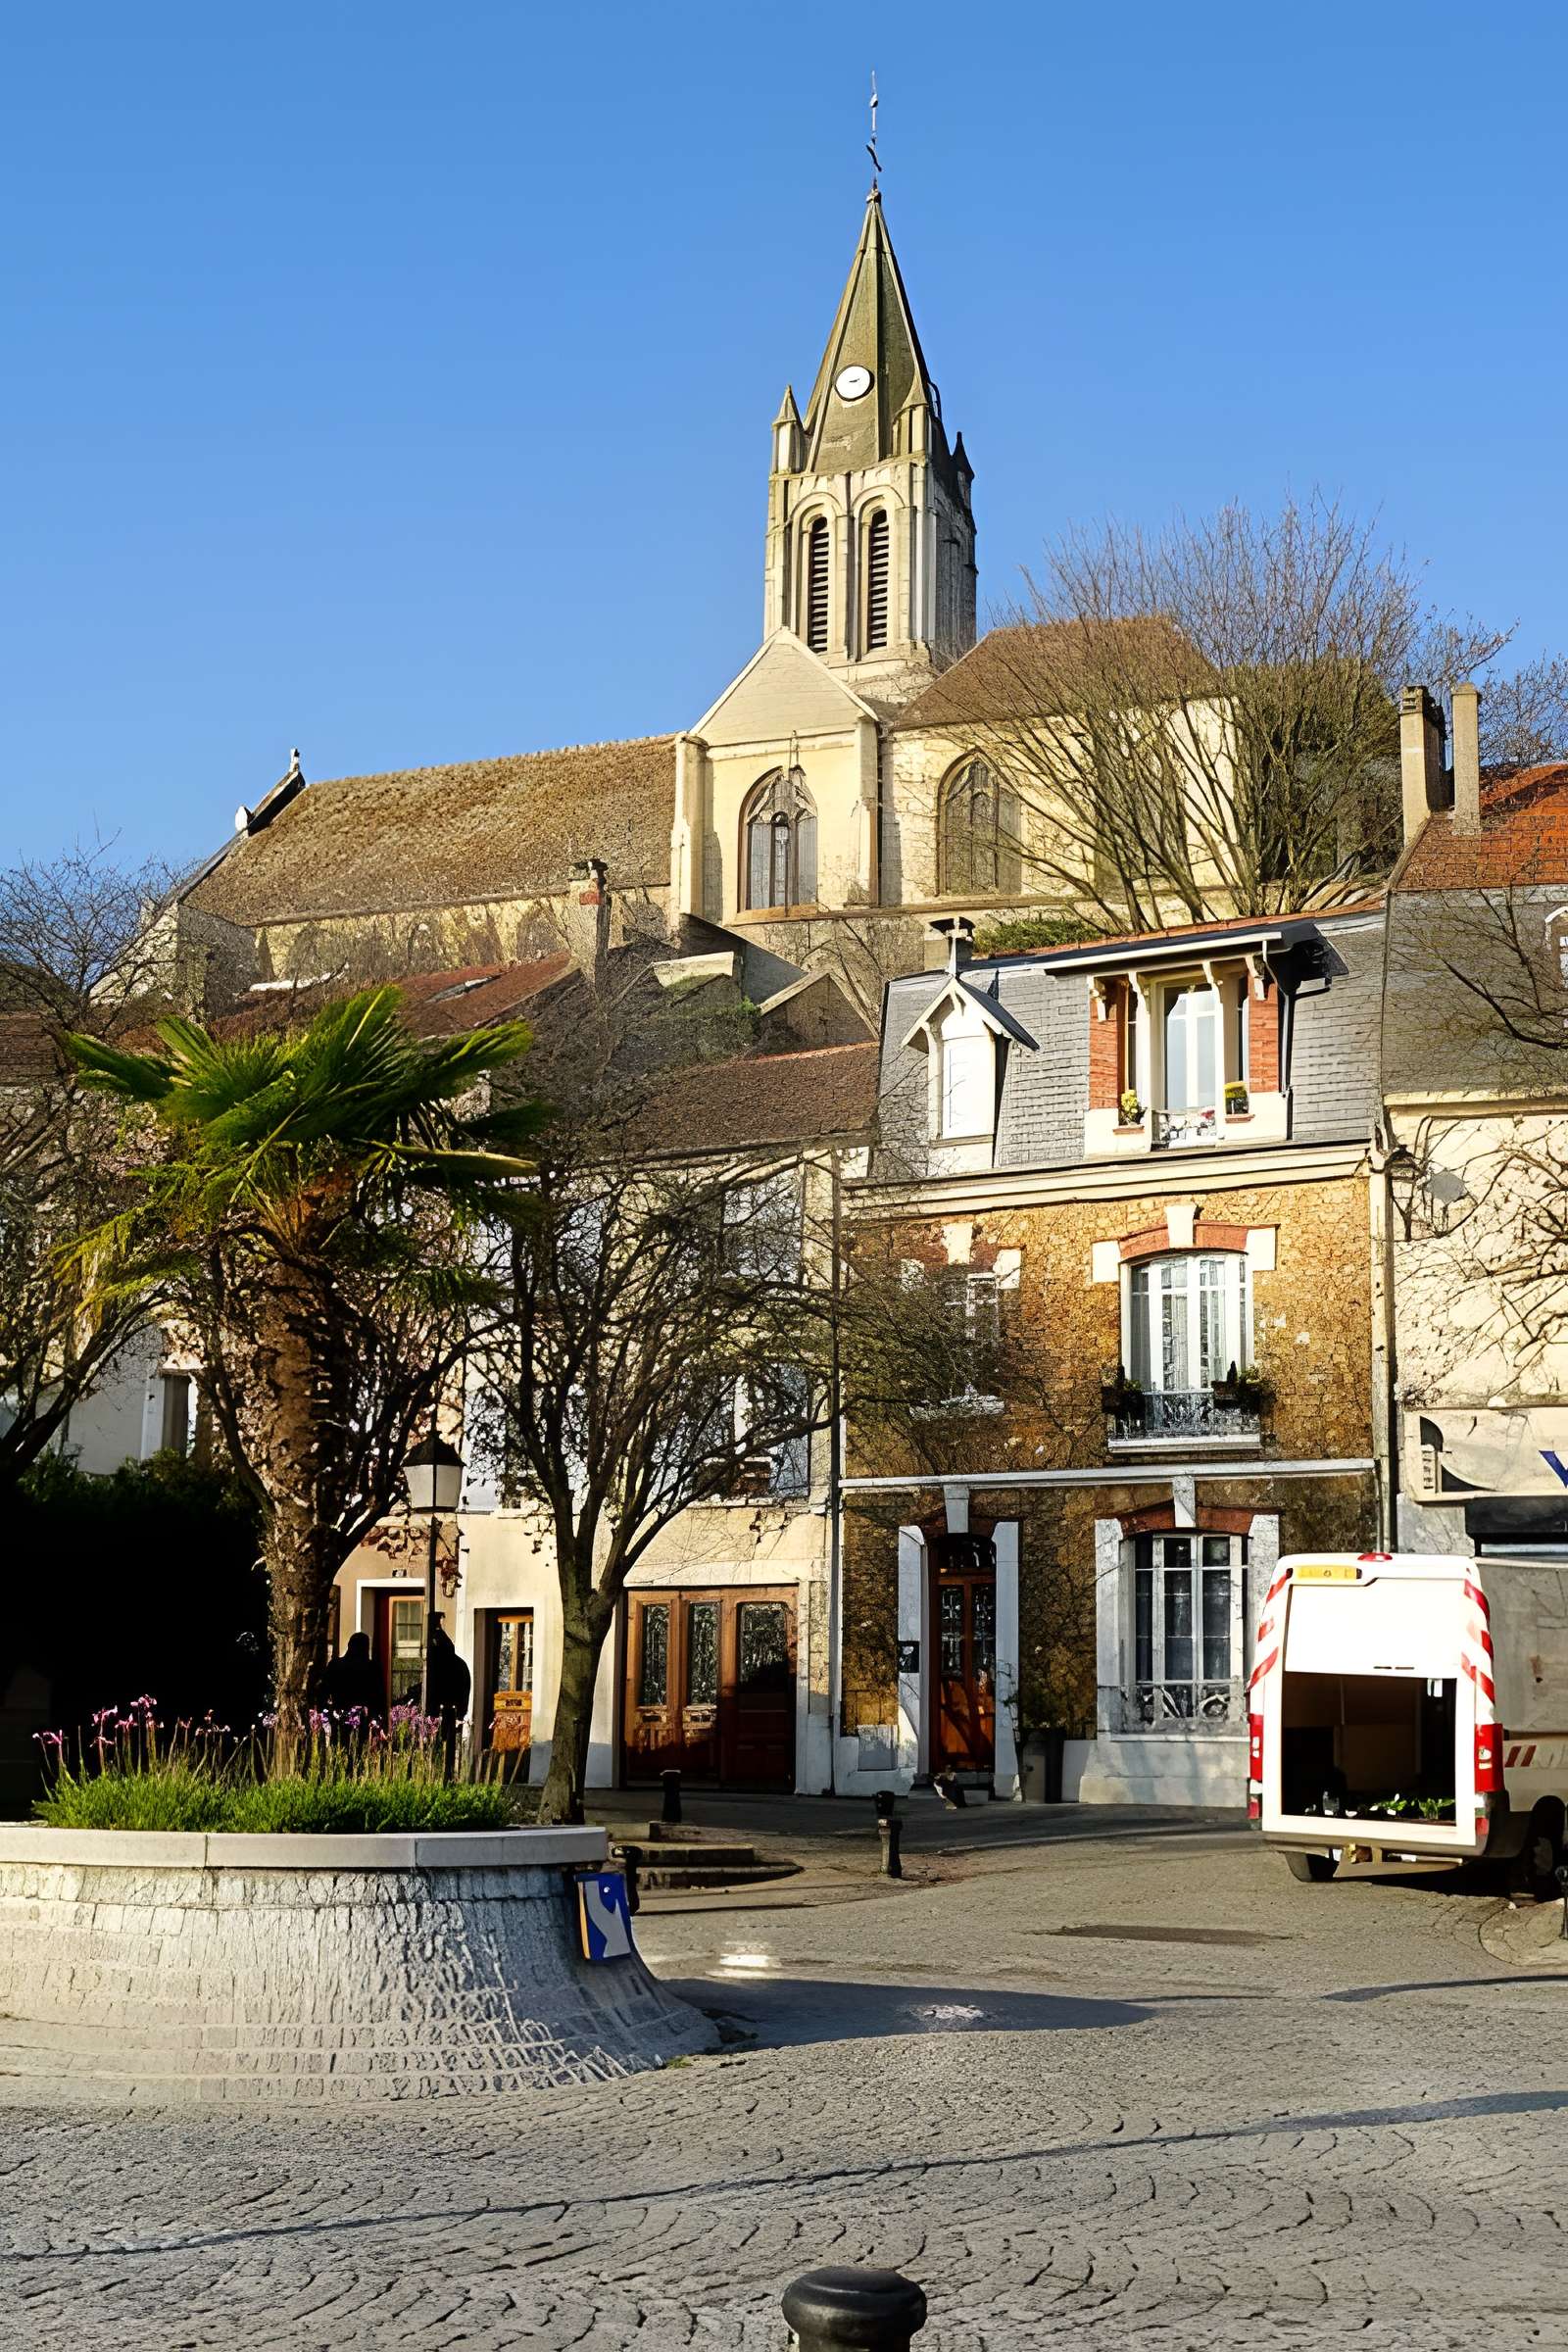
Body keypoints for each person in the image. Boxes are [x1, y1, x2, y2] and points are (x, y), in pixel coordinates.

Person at [425, 1619, 471, 1776]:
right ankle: (445, 1774)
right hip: (449, 1712)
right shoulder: (459, 1664)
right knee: (446, 1747)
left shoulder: (439, 1665)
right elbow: (465, 1689)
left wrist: (460, 1714)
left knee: (443, 1747)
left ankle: (443, 1774)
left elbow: (463, 1689)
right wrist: (461, 1713)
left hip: (445, 1712)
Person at [323, 1631, 382, 1722]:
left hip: (339, 1716)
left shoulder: (335, 1665)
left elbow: (325, 1690)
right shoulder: (372, 1667)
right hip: (364, 1719)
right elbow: (378, 1695)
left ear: (349, 1645)